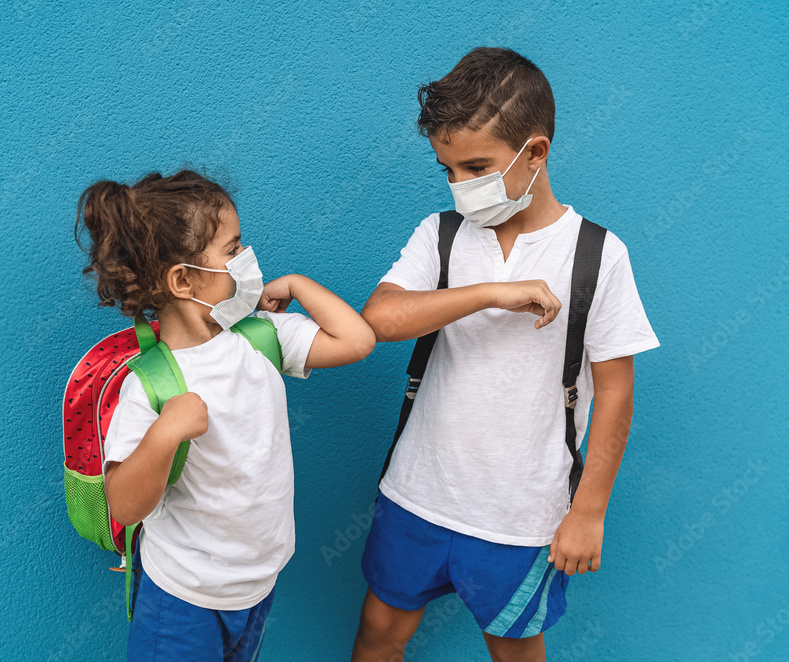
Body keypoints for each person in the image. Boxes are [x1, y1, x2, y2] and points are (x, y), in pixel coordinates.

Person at [351, 47, 660, 662]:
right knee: (379, 633)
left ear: (535, 152)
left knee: (514, 650)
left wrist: (589, 510)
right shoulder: (439, 236)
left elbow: (617, 391)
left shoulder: (599, 255)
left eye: (476, 167)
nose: (460, 187)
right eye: (448, 171)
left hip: (522, 516)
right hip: (417, 492)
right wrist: (492, 292)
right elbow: (379, 320)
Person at [74, 169, 375, 661]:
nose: (246, 259)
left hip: (256, 586)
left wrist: (298, 284)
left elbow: (357, 341)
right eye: (233, 249)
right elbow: (124, 508)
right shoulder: (151, 383)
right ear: (182, 279)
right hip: (182, 598)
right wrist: (165, 433)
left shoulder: (260, 337)